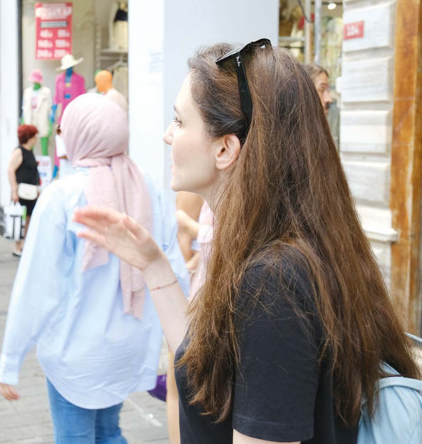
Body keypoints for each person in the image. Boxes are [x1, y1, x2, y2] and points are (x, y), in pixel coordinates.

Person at [73, 40, 420, 444]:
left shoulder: (273, 281)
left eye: (180, 121)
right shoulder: (275, 251)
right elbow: (202, 366)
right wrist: (154, 266)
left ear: (225, 148)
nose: (168, 135)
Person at [0, 94, 165, 444]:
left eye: (64, 129)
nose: (61, 136)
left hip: (76, 350)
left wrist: (11, 360)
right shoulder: (145, 185)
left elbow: (38, 287)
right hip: (127, 343)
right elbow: (167, 262)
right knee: (109, 433)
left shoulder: (63, 195)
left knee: (76, 437)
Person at [7, 124, 39, 257]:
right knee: (21, 218)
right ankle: (18, 246)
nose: (36, 138)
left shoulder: (30, 151)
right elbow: (10, 170)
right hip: (22, 191)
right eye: (34, 136)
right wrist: (14, 189)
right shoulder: (19, 152)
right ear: (30, 137)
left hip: (31, 191)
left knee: (29, 218)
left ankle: (25, 244)